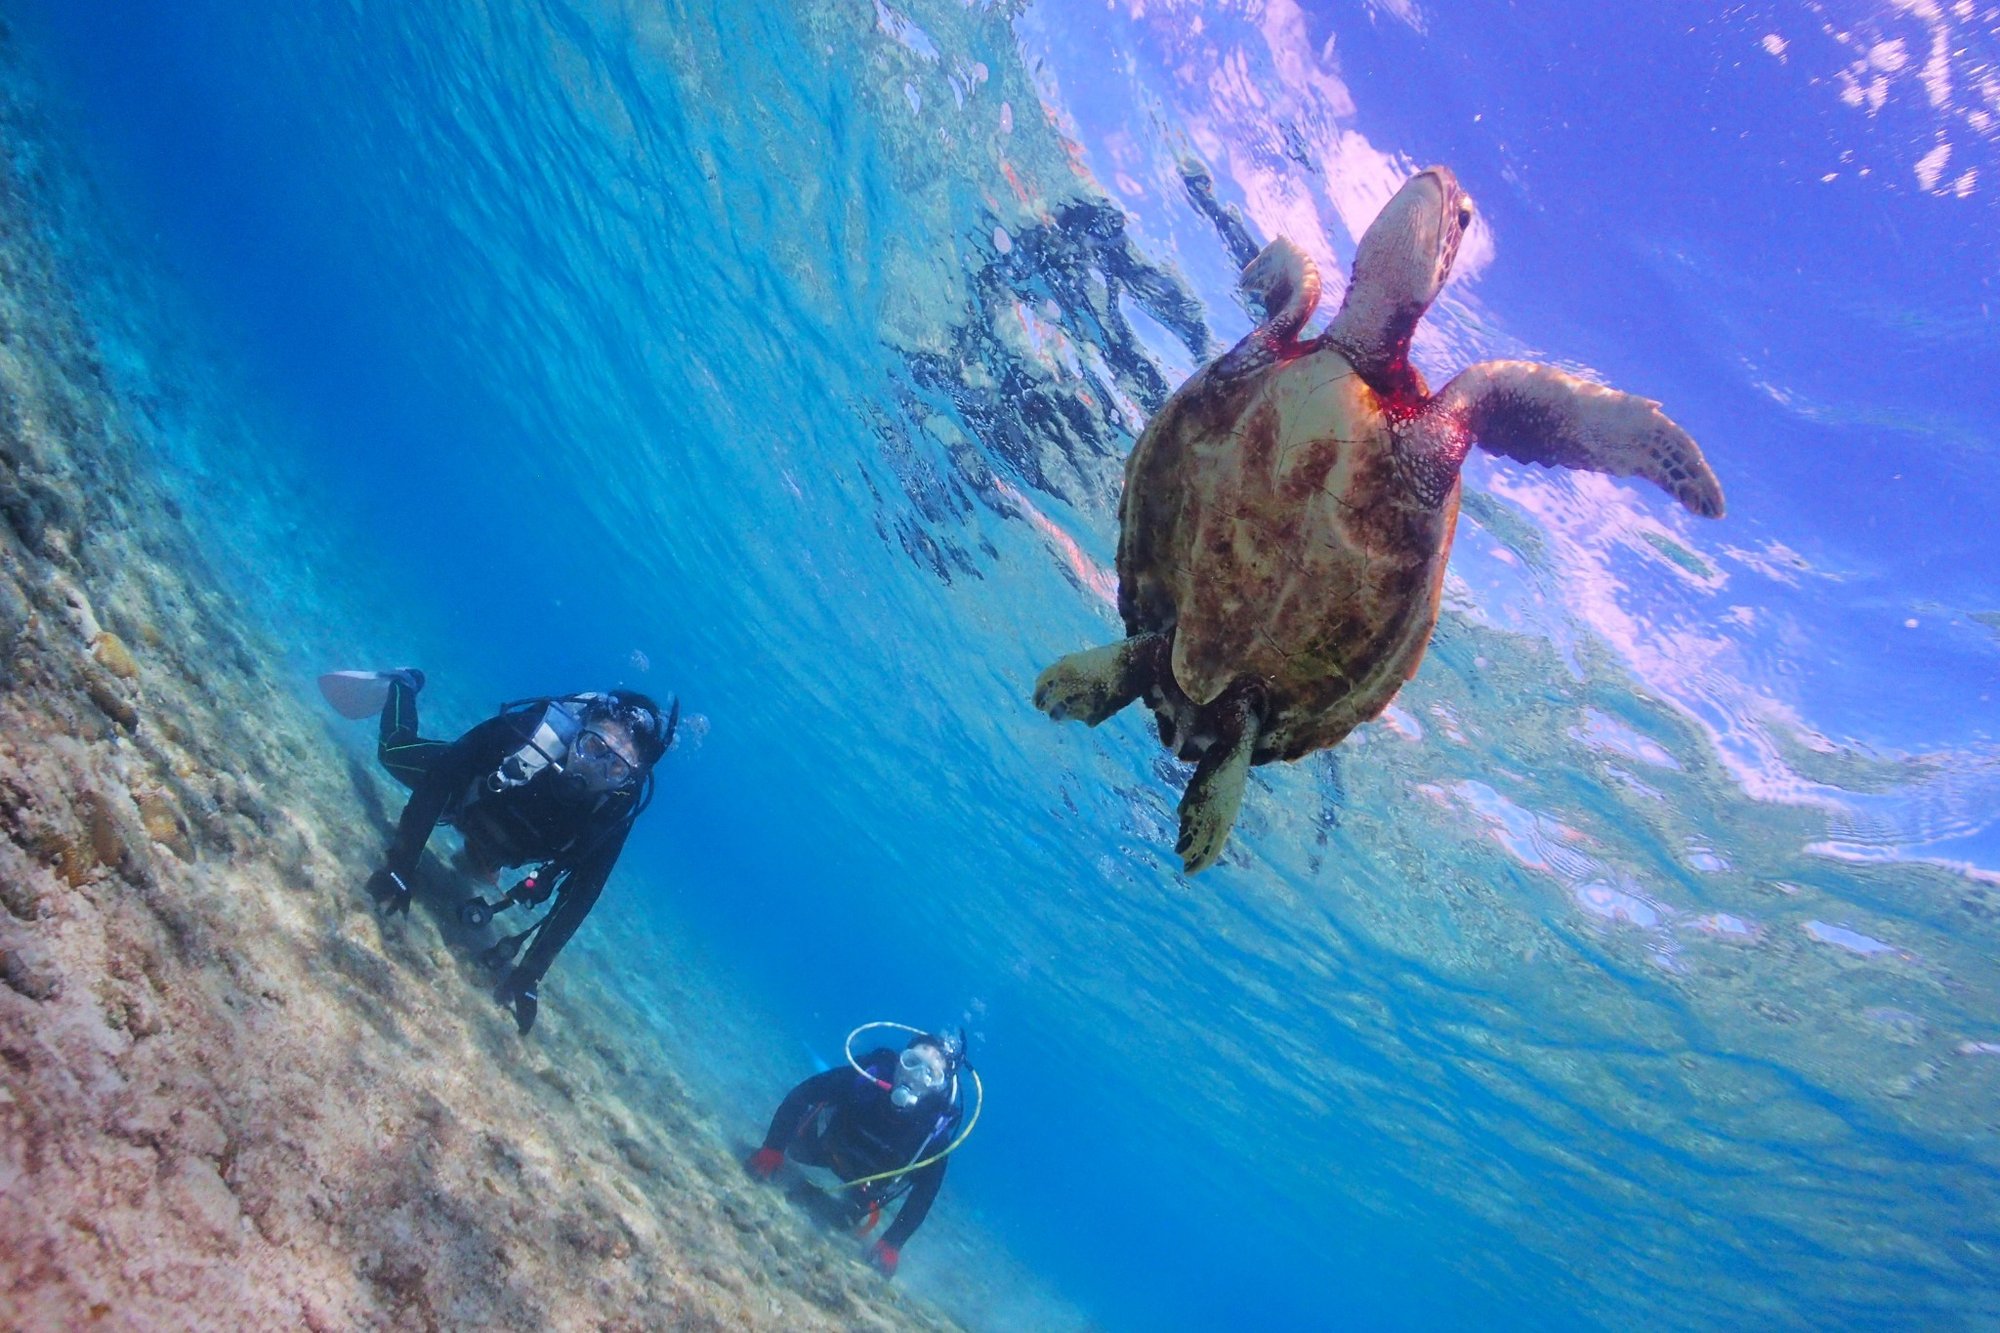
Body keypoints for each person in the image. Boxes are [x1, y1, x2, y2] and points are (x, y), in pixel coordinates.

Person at [322, 668, 675, 1034]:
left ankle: (482, 856)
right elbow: (445, 773)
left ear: (627, 779)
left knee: (479, 866)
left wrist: (530, 975)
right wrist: (401, 863)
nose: (591, 770)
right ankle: (404, 683)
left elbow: (580, 895)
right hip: (463, 795)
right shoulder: (532, 731)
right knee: (394, 750)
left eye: (614, 767)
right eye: (592, 747)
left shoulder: (613, 811)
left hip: (510, 842)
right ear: (578, 733)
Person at [744, 1027, 979, 1278]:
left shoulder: (933, 1136)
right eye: (911, 1063)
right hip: (822, 1147)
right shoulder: (864, 1080)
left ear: (940, 1088)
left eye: (930, 1074)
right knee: (798, 1153)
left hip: (864, 1186)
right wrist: (773, 1148)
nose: (915, 1078)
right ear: (899, 1061)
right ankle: (819, 1066)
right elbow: (805, 1094)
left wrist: (893, 1242)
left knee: (841, 1221)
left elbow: (925, 1193)